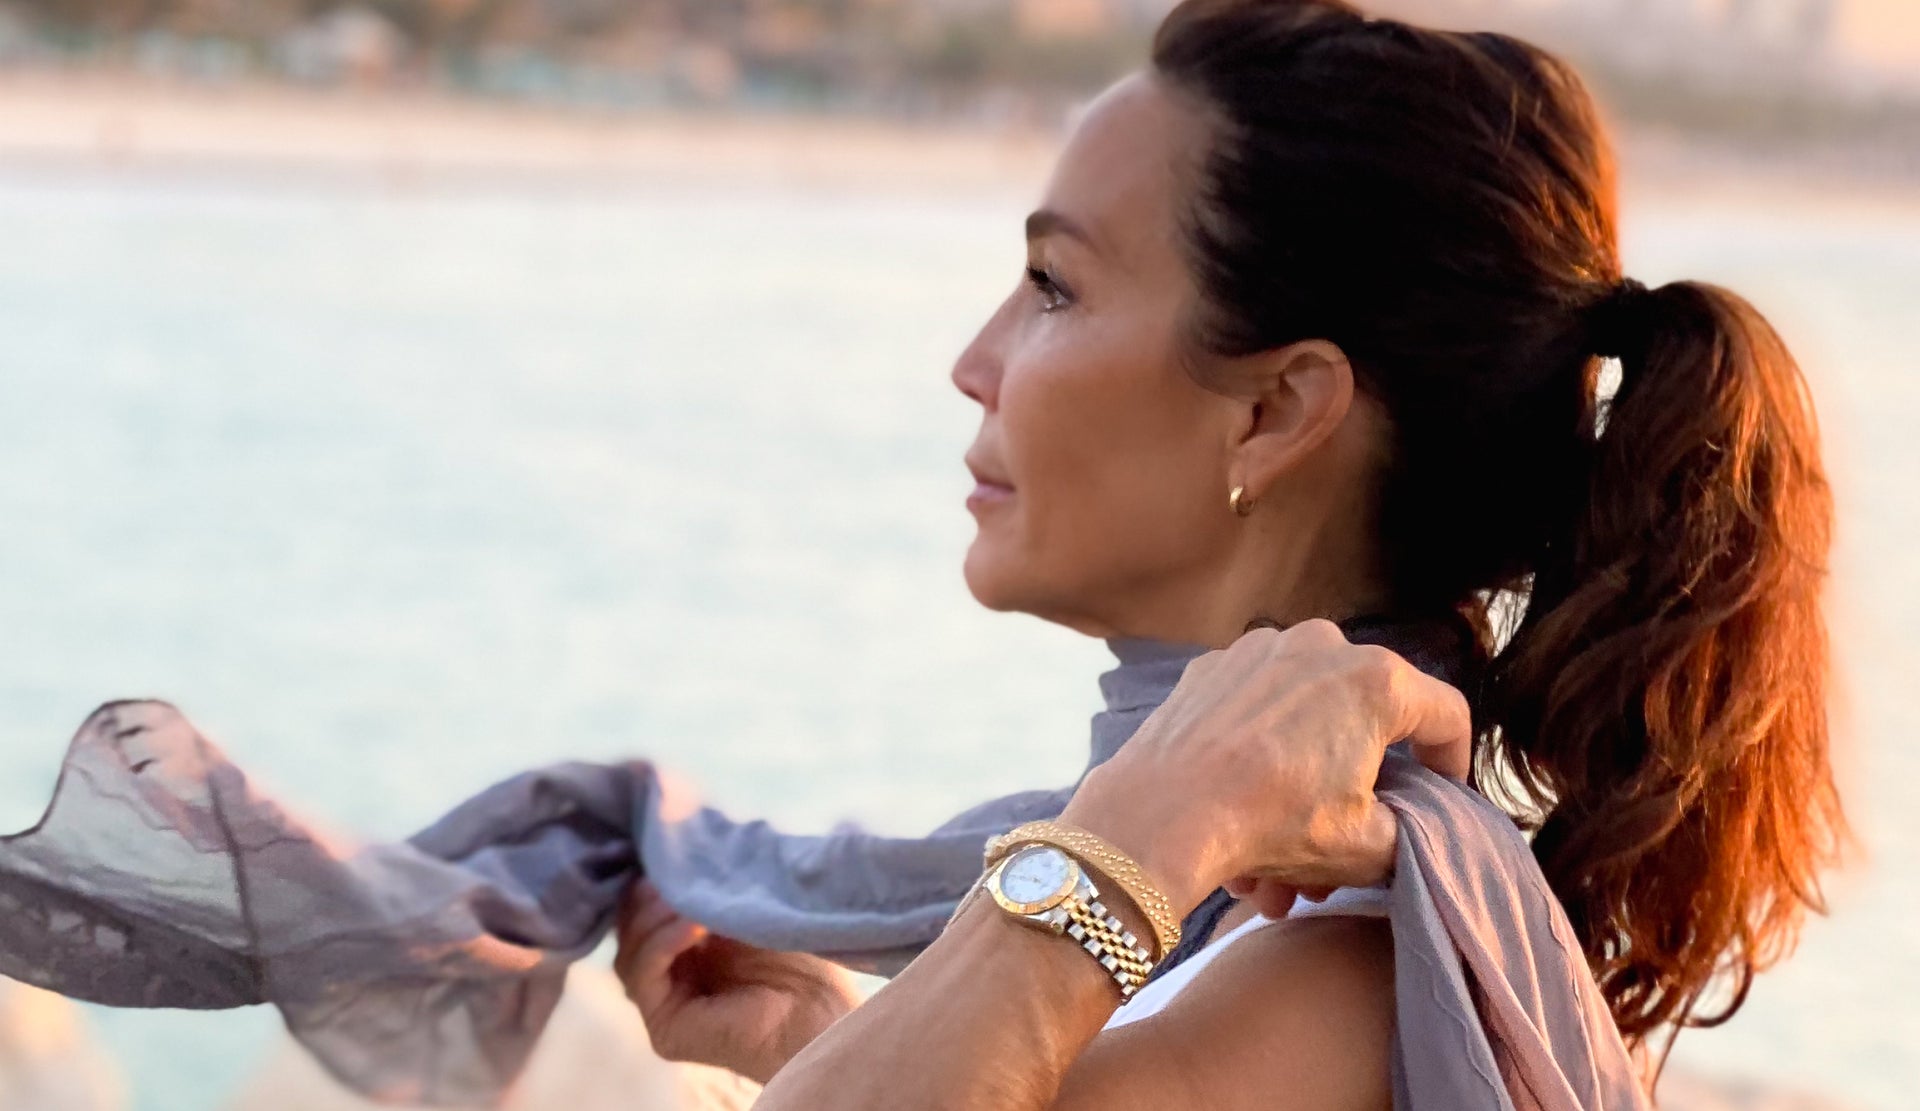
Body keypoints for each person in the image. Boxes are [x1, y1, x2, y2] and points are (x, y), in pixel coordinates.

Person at [611, 0, 1847, 1107]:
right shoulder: (1271, 921)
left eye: (1052, 284)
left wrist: (1153, 814)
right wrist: (826, 1043)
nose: (975, 361)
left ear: (1275, 410)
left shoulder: (1329, 976)